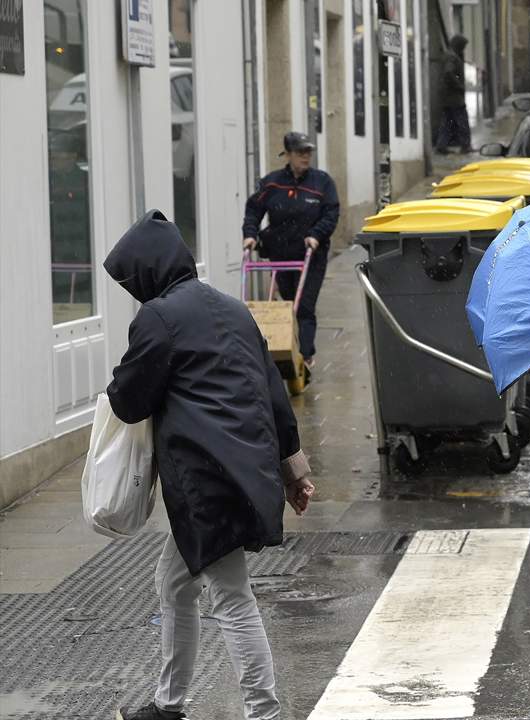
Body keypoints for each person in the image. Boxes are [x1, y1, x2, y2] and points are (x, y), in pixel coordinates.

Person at [107, 210, 315, 720]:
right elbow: (274, 393)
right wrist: (295, 471)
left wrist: (115, 389)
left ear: (147, 271)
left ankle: (263, 713)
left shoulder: (157, 318)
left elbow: (130, 401)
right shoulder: (232, 308)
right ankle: (168, 703)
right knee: (174, 582)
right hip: (248, 468)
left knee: (231, 597)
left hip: (206, 478)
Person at [242, 131, 340, 370]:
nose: (305, 157)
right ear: (288, 155)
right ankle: (280, 348)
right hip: (281, 253)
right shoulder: (272, 182)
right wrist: (250, 235)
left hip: (310, 254)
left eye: (308, 152)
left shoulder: (322, 182)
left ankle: (305, 357)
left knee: (305, 305)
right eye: (300, 153)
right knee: (287, 305)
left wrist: (316, 235)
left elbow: (331, 213)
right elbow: (254, 209)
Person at [435, 35, 473, 154]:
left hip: (447, 97)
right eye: (463, 46)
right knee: (461, 120)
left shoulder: (448, 55)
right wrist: (459, 86)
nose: (463, 49)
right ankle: (465, 146)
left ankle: (441, 146)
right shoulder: (452, 57)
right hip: (454, 97)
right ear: (458, 45)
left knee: (447, 122)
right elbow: (448, 73)